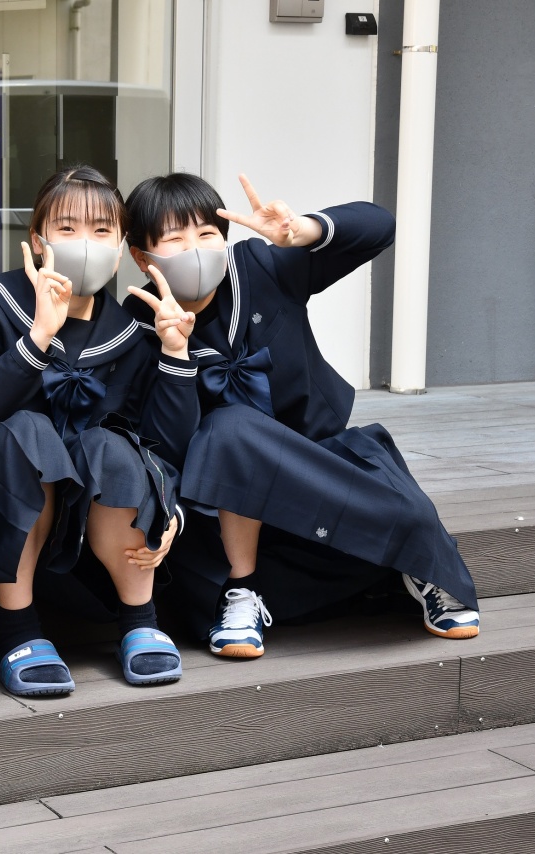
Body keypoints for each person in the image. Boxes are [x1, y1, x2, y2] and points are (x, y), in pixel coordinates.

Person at [122, 171, 480, 658]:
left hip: (319, 464)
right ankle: (242, 592)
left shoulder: (260, 267)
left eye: (206, 234)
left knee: (395, 497)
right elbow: (168, 443)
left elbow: (379, 226)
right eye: (175, 240)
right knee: (229, 426)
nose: (195, 250)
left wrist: (303, 230)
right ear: (143, 257)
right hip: (227, 506)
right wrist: (174, 355)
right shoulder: (137, 324)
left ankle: (420, 566)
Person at [0, 165, 199, 696]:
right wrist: (36, 339)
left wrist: (175, 353)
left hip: (87, 523)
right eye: (67, 228)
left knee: (112, 445)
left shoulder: (133, 332)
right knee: (30, 432)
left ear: (121, 249)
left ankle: (140, 618)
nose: (85, 243)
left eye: (102, 231)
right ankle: (18, 631)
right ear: (38, 241)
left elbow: (162, 445)